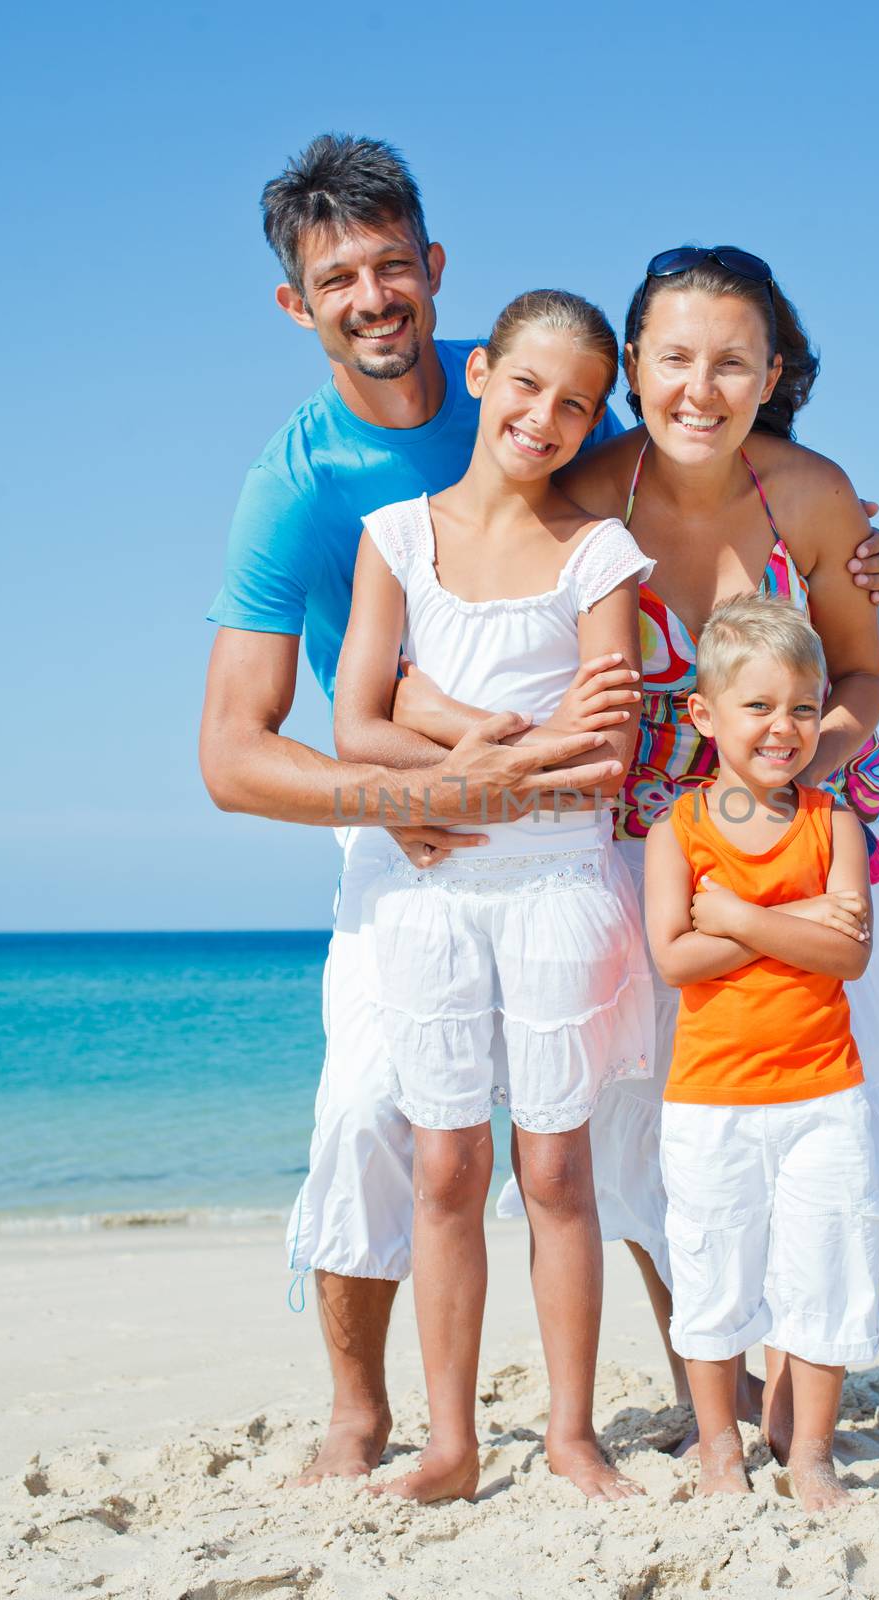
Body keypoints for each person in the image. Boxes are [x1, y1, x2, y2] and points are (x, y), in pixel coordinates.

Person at [200, 132, 879, 1489]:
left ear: (437, 277)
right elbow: (235, 751)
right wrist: (422, 783)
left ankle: (708, 1386)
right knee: (369, 1117)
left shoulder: (538, 399)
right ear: (298, 304)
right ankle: (365, 1412)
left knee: (613, 1114)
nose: (372, 299)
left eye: (394, 267)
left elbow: (706, 458)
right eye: (338, 280)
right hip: (401, 803)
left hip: (565, 820)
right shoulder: (298, 485)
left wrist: (850, 544)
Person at [505, 246, 879, 1428]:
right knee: (657, 1123)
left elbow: (866, 675)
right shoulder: (580, 492)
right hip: (635, 854)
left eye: (733, 361)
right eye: (673, 357)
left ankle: (794, 1373)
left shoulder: (817, 498)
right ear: (632, 364)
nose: (700, 387)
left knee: (836, 1105)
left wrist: (777, 792)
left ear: (771, 371)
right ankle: (705, 1373)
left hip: (815, 844)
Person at [334, 289, 655, 1503]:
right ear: (481, 377)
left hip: (559, 889)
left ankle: (572, 1434)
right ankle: (452, 1443)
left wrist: (445, 725)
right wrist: (475, 737)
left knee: (558, 1172)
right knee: (444, 1168)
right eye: (527, 386)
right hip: (430, 895)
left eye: (578, 403)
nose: (548, 417)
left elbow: (604, 758)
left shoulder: (600, 555)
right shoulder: (396, 537)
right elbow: (356, 721)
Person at [644, 595, 879, 1509]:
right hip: (710, 1102)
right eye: (758, 706)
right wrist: (796, 922)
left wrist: (742, 917)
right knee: (712, 1271)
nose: (782, 728)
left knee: (826, 1266)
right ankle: (718, 1451)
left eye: (801, 707)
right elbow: (675, 957)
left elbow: (849, 953)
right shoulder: (679, 831)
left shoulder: (835, 825)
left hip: (825, 1095)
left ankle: (811, 1452)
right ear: (704, 715)